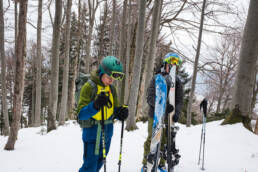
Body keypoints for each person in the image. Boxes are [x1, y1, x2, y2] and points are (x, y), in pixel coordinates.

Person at [77, 56, 128, 172]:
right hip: (92, 134)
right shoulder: (89, 87)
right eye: (109, 77)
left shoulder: (112, 89)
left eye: (113, 79)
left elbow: (113, 110)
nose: (111, 81)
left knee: (100, 163)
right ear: (102, 72)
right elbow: (81, 114)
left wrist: (120, 113)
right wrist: (95, 105)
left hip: (107, 133)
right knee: (89, 167)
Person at [141, 52, 184, 172]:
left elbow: (180, 100)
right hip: (154, 115)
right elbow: (150, 97)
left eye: (176, 64)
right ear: (166, 63)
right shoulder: (157, 78)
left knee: (166, 140)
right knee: (153, 138)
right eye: (171, 63)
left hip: (169, 117)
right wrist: (163, 107)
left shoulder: (177, 82)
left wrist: (176, 113)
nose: (173, 66)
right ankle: (147, 163)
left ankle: (162, 163)